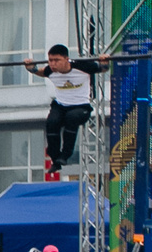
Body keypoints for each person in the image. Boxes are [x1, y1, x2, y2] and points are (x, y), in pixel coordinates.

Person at [23, 44, 106, 178]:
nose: (53, 64)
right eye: (50, 60)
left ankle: (66, 154)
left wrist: (104, 61)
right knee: (52, 122)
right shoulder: (50, 70)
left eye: (56, 60)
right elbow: (40, 72)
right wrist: (31, 68)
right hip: (61, 105)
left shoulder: (82, 67)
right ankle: (56, 159)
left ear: (66, 59)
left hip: (80, 106)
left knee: (71, 118)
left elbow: (102, 69)